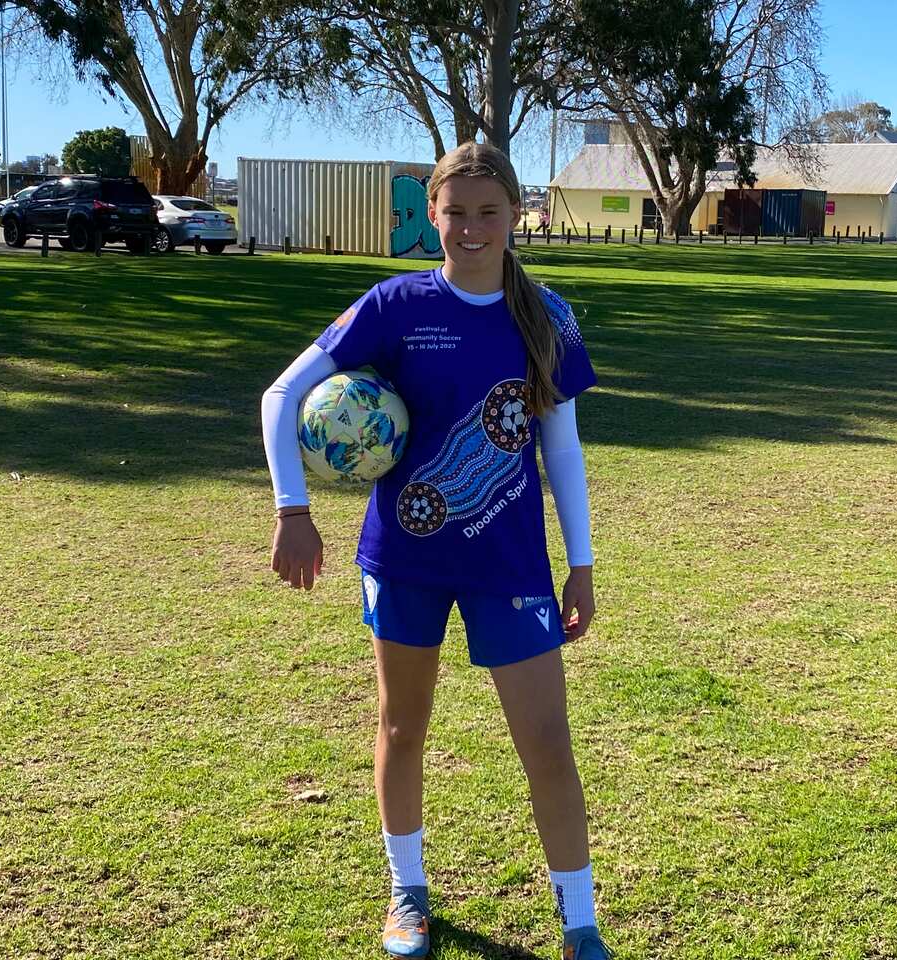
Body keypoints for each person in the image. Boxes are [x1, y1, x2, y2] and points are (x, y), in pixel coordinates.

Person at [260, 141, 610, 960]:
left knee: (548, 744)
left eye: (489, 212)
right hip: (405, 560)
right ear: (432, 215)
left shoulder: (547, 316)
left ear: (516, 214)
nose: (471, 228)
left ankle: (580, 926)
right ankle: (407, 896)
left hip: (509, 564)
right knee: (401, 727)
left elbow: (562, 450)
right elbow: (281, 394)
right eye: (456, 213)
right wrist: (292, 509)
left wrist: (582, 563)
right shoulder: (394, 305)